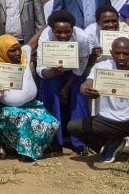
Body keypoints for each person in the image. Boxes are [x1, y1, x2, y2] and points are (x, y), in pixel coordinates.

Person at [68, 37, 129, 177]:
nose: (121, 57)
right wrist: (87, 90)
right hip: (108, 121)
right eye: (117, 53)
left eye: (126, 53)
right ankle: (111, 144)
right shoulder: (101, 67)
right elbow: (85, 85)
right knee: (73, 127)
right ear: (111, 52)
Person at [0, 34, 59, 161]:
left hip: (29, 105)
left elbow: (32, 43)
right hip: (3, 108)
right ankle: (22, 150)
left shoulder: (23, 56)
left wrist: (47, 25)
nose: (18, 53)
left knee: (51, 122)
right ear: (2, 52)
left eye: (18, 48)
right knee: (22, 119)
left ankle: (38, 145)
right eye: (12, 51)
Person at [36, 10, 92, 153]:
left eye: (67, 32)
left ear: (73, 29)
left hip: (74, 73)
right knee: (50, 96)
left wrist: (66, 88)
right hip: (52, 72)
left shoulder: (81, 38)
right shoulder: (45, 37)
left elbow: (82, 64)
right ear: (52, 30)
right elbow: (40, 68)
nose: (63, 35)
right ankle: (53, 140)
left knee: (79, 96)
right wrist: (52, 72)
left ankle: (80, 142)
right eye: (58, 32)